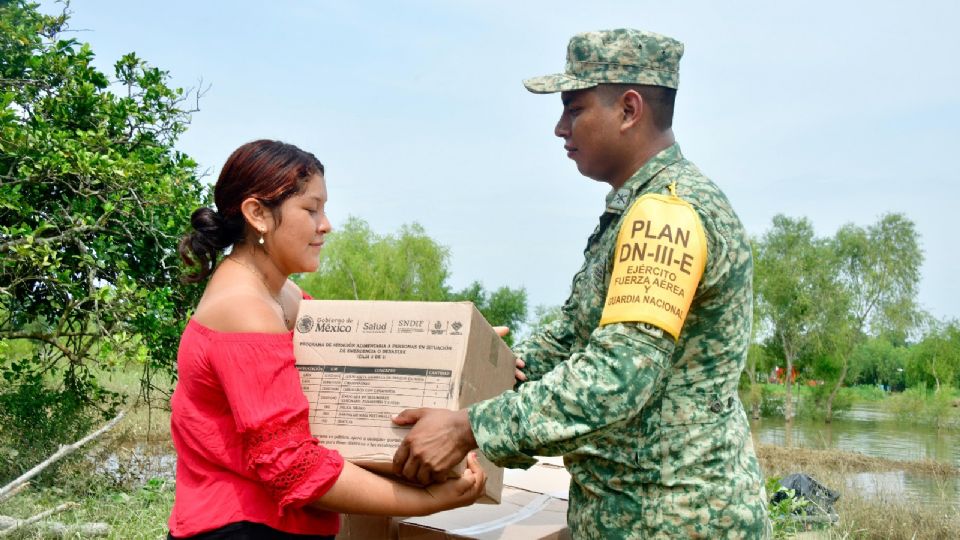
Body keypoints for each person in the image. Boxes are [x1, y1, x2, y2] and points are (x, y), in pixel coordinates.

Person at [391, 29, 771, 538]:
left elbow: (614, 378)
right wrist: (489, 370)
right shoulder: (636, 209)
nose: (559, 128)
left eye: (574, 109)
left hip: (672, 517)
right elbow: (572, 338)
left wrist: (470, 428)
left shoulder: (667, 216)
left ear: (629, 110)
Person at [170, 139, 486, 539]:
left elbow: (356, 346)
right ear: (257, 214)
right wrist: (431, 501)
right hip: (238, 527)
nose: (326, 224)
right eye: (310, 209)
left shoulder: (284, 294)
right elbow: (292, 468)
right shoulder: (244, 310)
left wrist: (468, 349)